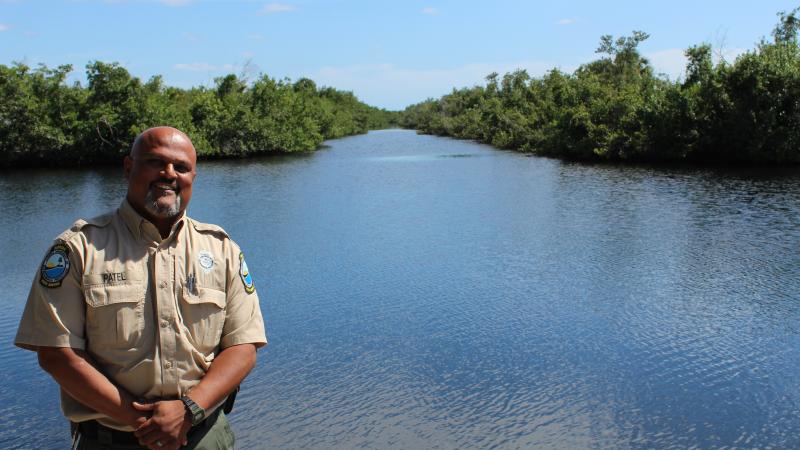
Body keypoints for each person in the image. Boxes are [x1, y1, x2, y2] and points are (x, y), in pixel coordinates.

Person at [15, 126, 267, 450]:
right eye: (155, 162)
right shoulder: (79, 248)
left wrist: (187, 412)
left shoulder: (222, 250)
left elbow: (243, 347)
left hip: (203, 435)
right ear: (128, 168)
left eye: (181, 167)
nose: (169, 174)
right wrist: (146, 423)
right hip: (111, 440)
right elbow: (56, 353)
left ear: (194, 176)